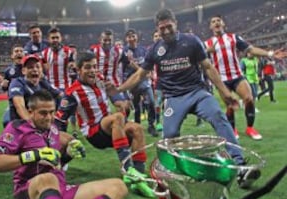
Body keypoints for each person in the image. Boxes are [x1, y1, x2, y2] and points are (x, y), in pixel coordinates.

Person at [106, 9, 260, 189]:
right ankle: (174, 171)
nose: (165, 31)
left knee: (218, 116)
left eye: (168, 26)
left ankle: (240, 166)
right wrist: (119, 89)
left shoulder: (191, 41)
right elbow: (140, 74)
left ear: (175, 23)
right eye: (161, 28)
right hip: (173, 98)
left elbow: (208, 67)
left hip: (198, 93)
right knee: (169, 136)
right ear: (157, 28)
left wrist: (224, 91)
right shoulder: (155, 49)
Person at [0, 90, 127, 199]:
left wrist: (68, 153)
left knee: (118, 187)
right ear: (30, 112)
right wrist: (33, 155)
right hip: (29, 194)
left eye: (52, 112)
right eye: (43, 113)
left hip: (59, 190)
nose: (48, 118)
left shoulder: (53, 129)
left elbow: (55, 162)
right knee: (46, 178)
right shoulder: (17, 128)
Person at [55, 51, 155, 197]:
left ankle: (139, 178)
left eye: (95, 67)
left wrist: (121, 102)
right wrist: (62, 146)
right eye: (88, 67)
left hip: (112, 129)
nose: (93, 71)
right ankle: (128, 170)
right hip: (94, 133)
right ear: (78, 70)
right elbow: (59, 121)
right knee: (118, 118)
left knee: (137, 129)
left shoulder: (100, 79)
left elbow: (114, 96)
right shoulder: (72, 93)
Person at [205, 15, 287, 140]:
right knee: (230, 106)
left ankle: (250, 128)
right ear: (211, 27)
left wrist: (270, 53)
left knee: (249, 98)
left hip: (237, 76)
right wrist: (207, 51)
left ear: (223, 24)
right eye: (213, 21)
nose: (216, 23)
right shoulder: (207, 43)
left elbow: (251, 49)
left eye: (218, 21)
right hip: (222, 80)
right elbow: (199, 60)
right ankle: (233, 130)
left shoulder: (233, 38)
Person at [122, 28, 158, 137]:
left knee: (151, 102)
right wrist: (141, 71)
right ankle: (137, 127)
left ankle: (151, 125)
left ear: (137, 37)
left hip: (144, 81)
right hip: (132, 81)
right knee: (137, 106)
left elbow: (149, 63)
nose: (132, 38)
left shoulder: (143, 49)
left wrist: (150, 73)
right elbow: (128, 66)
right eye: (129, 37)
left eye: (133, 36)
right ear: (126, 39)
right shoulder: (124, 51)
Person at [8, 54, 62, 122]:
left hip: (41, 124)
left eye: (38, 67)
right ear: (23, 71)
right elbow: (19, 106)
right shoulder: (17, 83)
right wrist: (32, 125)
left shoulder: (43, 83)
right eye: (30, 67)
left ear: (41, 70)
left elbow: (59, 95)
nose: (35, 69)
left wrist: (55, 115)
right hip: (21, 125)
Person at [90, 29, 130, 114]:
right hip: (97, 85)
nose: (107, 42)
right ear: (100, 39)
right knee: (99, 112)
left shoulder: (119, 51)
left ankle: (120, 124)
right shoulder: (93, 50)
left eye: (110, 40)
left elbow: (128, 63)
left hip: (113, 85)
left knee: (124, 107)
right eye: (105, 40)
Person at [2, 44, 25, 127]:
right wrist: (4, 86)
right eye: (16, 51)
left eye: (21, 51)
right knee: (12, 125)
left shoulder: (29, 68)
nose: (19, 53)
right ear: (12, 56)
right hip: (14, 104)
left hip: (28, 102)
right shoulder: (8, 71)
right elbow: (5, 88)